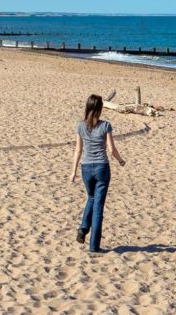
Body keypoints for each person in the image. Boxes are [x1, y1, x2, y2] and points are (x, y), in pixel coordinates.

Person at [70, 94, 126, 254]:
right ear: (100, 109)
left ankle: (83, 229)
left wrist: (73, 171)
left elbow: (78, 150)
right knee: (98, 207)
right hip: (102, 168)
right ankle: (94, 246)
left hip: (86, 168)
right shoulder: (105, 126)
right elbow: (111, 149)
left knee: (91, 198)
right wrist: (121, 161)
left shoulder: (80, 126)